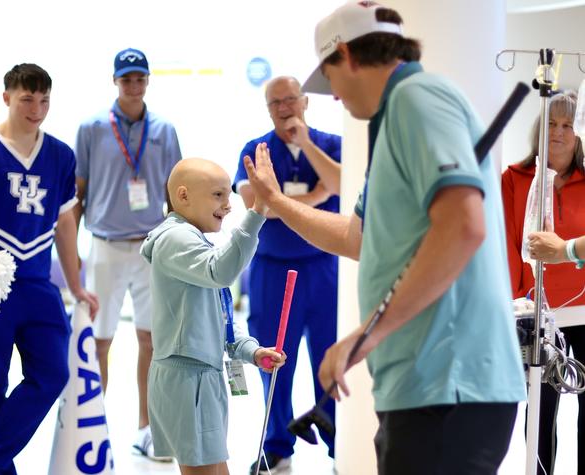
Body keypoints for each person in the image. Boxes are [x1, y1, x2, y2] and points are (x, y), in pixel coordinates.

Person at [243, 3, 526, 474]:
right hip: (422, 385)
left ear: (347, 55)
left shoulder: (418, 99)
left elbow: (463, 225)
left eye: (328, 79)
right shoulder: (394, 118)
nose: (331, 96)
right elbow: (358, 237)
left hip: (448, 385)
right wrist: (276, 201)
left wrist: (364, 334)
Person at [0, 63, 98, 474]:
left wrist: (76, 285)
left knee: (53, 372)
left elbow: (65, 221)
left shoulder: (60, 155)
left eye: (43, 100)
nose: (36, 108)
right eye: (27, 99)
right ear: (6, 97)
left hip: (38, 284)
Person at [140, 153, 285, 475]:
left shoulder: (195, 243)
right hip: (187, 377)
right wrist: (258, 210)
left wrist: (253, 351)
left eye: (228, 195)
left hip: (201, 376)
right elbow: (221, 271)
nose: (229, 205)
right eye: (218, 195)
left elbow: (221, 323)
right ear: (183, 196)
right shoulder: (175, 239)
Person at [74, 47, 182, 459]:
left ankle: (147, 426)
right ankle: (94, 429)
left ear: (148, 80)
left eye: (140, 78)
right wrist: (75, 253)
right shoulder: (92, 128)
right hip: (104, 245)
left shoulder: (165, 129)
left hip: (151, 248)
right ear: (115, 81)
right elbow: (79, 191)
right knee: (99, 341)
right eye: (126, 78)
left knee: (150, 340)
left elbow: (176, 193)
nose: (133, 85)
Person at [233, 75, 341, 473]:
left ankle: (336, 443)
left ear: (305, 101)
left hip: (325, 268)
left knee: (329, 360)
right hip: (273, 272)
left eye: (290, 99)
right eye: (275, 102)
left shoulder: (331, 145)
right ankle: (277, 445)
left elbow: (340, 183)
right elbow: (257, 205)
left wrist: (305, 149)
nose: (284, 108)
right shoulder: (256, 150)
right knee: (274, 359)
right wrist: (316, 199)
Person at [503, 90, 585, 475]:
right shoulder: (515, 179)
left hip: (584, 310)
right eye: (552, 123)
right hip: (536, 312)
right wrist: (516, 303)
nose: (559, 132)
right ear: (539, 128)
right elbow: (506, 244)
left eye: (568, 125)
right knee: (540, 409)